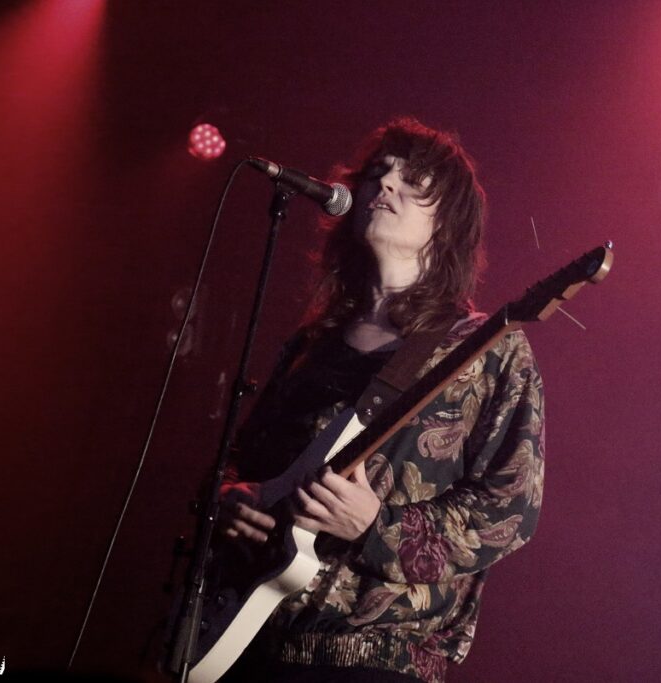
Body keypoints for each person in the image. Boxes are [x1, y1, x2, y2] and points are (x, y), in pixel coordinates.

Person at [218, 117, 545, 683]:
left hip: (380, 655)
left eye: (413, 181)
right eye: (377, 173)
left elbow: (510, 509)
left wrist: (378, 528)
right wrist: (231, 499)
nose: (386, 184)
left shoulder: (485, 349)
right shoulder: (312, 343)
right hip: (248, 638)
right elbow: (245, 457)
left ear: (448, 222)